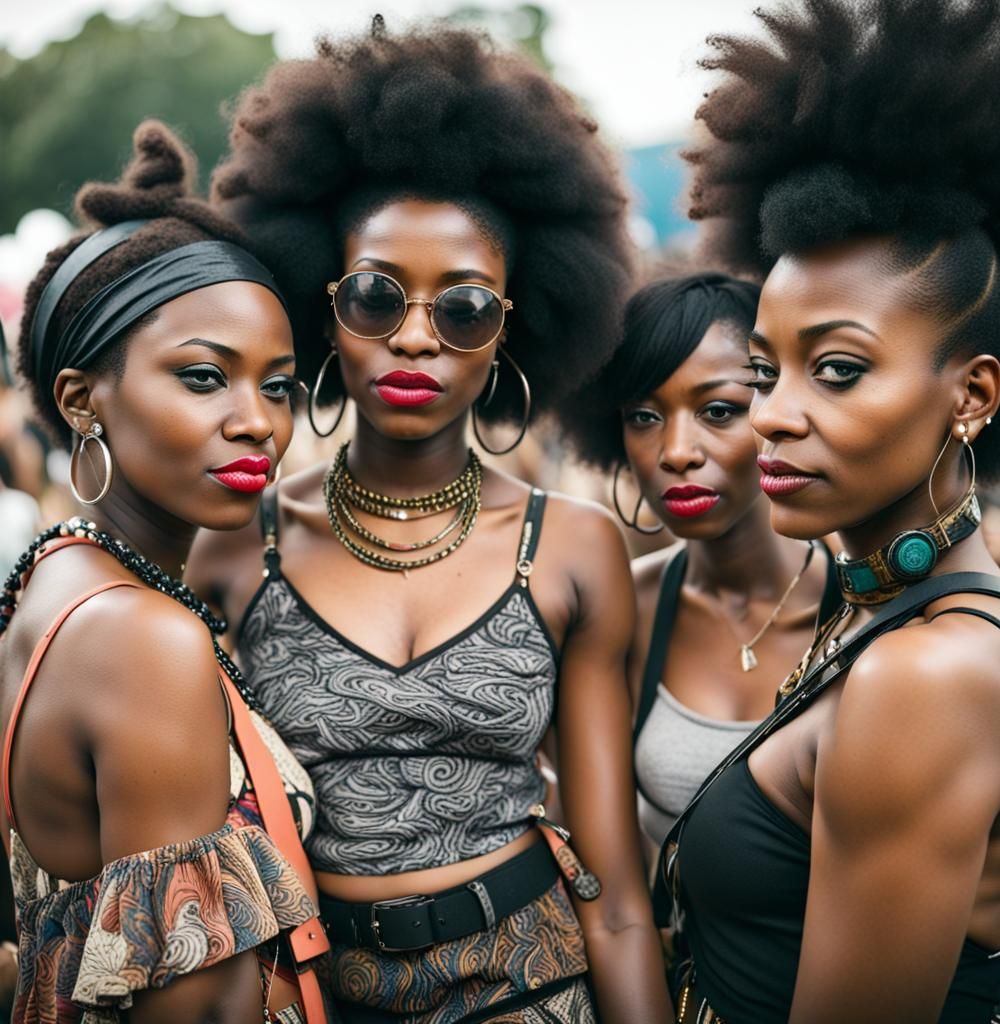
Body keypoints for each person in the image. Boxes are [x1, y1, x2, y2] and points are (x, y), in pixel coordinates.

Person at [188, 19, 673, 1024]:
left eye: (462, 307)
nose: (414, 333)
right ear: (323, 311)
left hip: (531, 988)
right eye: (375, 295)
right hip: (317, 996)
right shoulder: (238, 547)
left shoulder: (574, 545)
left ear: (509, 330)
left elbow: (618, 899)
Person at [659, 1, 1000, 1021]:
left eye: (837, 369)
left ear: (972, 395)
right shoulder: (882, 610)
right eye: (766, 370)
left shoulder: (930, 673)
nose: (770, 418)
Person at [2, 121, 321, 1024]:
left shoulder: (54, 579)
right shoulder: (143, 635)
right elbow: (199, 1004)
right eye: (203, 378)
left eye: (277, 385)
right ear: (80, 400)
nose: (256, 420)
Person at [562, 272, 832, 857]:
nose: (677, 452)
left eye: (716, 410)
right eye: (644, 416)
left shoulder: (866, 606)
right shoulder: (625, 608)